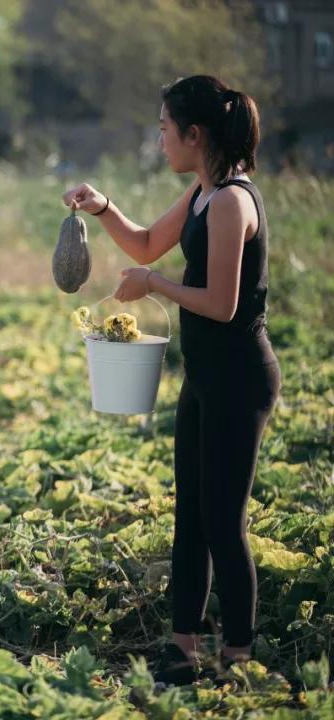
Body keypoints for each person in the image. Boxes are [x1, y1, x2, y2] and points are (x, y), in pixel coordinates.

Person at [63, 75, 280, 685]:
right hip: (207, 378)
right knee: (191, 516)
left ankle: (238, 655)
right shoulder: (202, 193)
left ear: (195, 133)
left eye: (164, 128)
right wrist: (102, 206)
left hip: (241, 378)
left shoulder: (235, 200)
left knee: (223, 521)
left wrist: (153, 285)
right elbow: (147, 242)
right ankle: (182, 649)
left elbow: (222, 303)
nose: (159, 139)